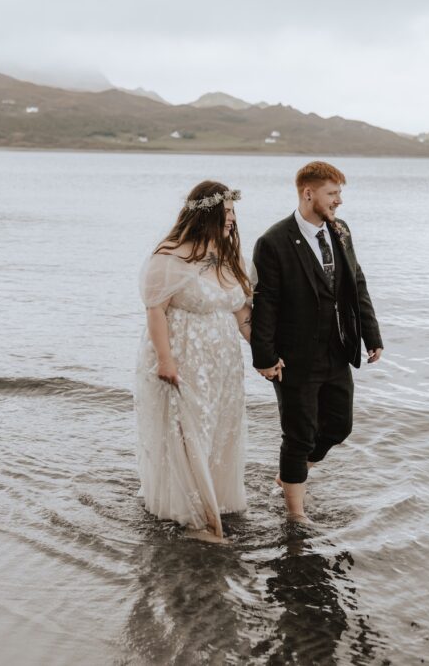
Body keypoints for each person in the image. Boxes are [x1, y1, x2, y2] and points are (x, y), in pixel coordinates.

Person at [250, 161, 383, 524]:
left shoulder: (341, 231)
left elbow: (357, 284)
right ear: (309, 194)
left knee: (340, 426)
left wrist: (371, 335)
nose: (338, 201)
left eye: (340, 194)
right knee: (298, 434)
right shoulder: (273, 241)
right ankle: (296, 513)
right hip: (293, 357)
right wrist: (264, 357)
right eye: (332, 193)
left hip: (337, 349)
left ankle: (291, 473)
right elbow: (265, 303)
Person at [135, 180, 252, 543]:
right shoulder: (169, 257)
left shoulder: (229, 260)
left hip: (224, 364)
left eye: (233, 214)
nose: (232, 221)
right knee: (190, 431)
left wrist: (267, 353)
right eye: (227, 214)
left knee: (221, 429)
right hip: (185, 358)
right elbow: (156, 311)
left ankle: (217, 500)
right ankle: (198, 519)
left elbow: (242, 315)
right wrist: (165, 361)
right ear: (207, 216)